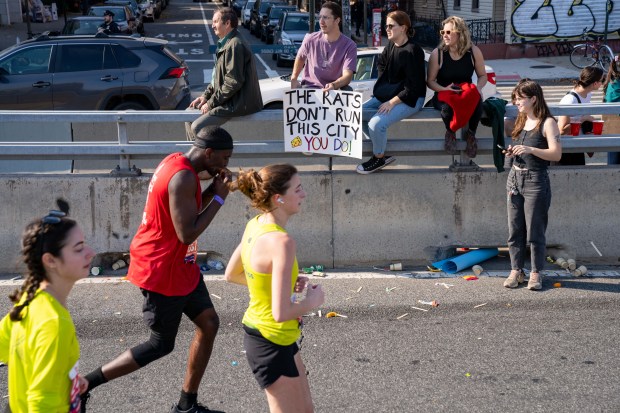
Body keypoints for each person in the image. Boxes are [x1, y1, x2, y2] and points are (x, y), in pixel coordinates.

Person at [82, 126, 234, 413]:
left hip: (181, 267)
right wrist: (219, 198)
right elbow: (187, 232)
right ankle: (84, 385)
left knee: (209, 323)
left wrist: (212, 189)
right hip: (162, 270)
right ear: (209, 153)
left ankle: (186, 406)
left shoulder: (177, 161)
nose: (226, 165)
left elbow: (185, 208)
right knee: (160, 345)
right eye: (224, 158)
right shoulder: (183, 177)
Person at [225, 164, 325, 413]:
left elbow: (232, 274)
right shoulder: (282, 242)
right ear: (278, 198)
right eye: (298, 189)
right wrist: (313, 299)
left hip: (277, 337)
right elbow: (281, 312)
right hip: (270, 340)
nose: (304, 195)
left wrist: (290, 289)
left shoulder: (256, 224)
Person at [0, 199, 95, 412]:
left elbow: (4, 346)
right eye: (79, 248)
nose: (91, 252)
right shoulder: (54, 322)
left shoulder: (30, 295)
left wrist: (63, 377)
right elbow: (43, 402)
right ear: (50, 260)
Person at [503, 79, 562, 291]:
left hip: (535, 179)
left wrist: (531, 150)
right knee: (515, 228)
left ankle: (536, 272)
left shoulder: (548, 122)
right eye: (515, 98)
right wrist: (512, 152)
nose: (516, 102)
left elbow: (556, 154)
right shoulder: (521, 120)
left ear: (533, 99)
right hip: (514, 178)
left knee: (535, 230)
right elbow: (520, 148)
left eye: (520, 98)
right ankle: (516, 270)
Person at [356, 11, 426, 174]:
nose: (386, 29)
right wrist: (386, 87)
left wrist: (392, 102)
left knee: (376, 123)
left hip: (412, 98)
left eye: (390, 26)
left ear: (403, 28)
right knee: (357, 114)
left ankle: (378, 157)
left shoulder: (413, 51)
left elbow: (413, 87)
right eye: (385, 25)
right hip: (389, 95)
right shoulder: (390, 46)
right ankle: (379, 150)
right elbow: (381, 65)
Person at [186, 8, 262, 141]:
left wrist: (211, 103)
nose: (212, 25)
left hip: (236, 103)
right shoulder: (226, 42)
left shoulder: (235, 45)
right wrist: (205, 96)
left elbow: (233, 82)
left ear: (227, 24)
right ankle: (196, 158)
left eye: (215, 21)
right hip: (228, 100)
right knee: (188, 115)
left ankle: (204, 159)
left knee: (197, 127)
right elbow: (217, 78)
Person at [427, 16, 487, 158]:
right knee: (447, 108)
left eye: (449, 32)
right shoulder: (438, 53)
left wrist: (478, 88)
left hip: (464, 91)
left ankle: (471, 135)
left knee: (477, 101)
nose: (445, 36)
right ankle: (450, 132)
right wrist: (444, 89)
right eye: (443, 32)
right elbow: (430, 81)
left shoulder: (473, 51)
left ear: (460, 33)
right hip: (444, 93)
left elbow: (483, 76)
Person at [291, 1, 357, 91]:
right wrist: (294, 78)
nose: (321, 21)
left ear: (337, 20)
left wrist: (334, 85)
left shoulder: (350, 45)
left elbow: (347, 75)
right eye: (320, 17)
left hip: (334, 92)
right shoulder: (310, 39)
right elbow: (300, 57)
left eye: (325, 17)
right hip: (309, 90)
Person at [556, 66, 604, 165]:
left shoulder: (588, 94)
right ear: (595, 83)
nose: (602, 83)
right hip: (567, 148)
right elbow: (561, 130)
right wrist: (584, 118)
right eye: (601, 80)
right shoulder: (570, 100)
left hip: (578, 143)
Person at [602, 55, 620, 164]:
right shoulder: (616, 84)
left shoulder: (613, 80)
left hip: (613, 127)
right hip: (615, 128)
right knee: (615, 164)